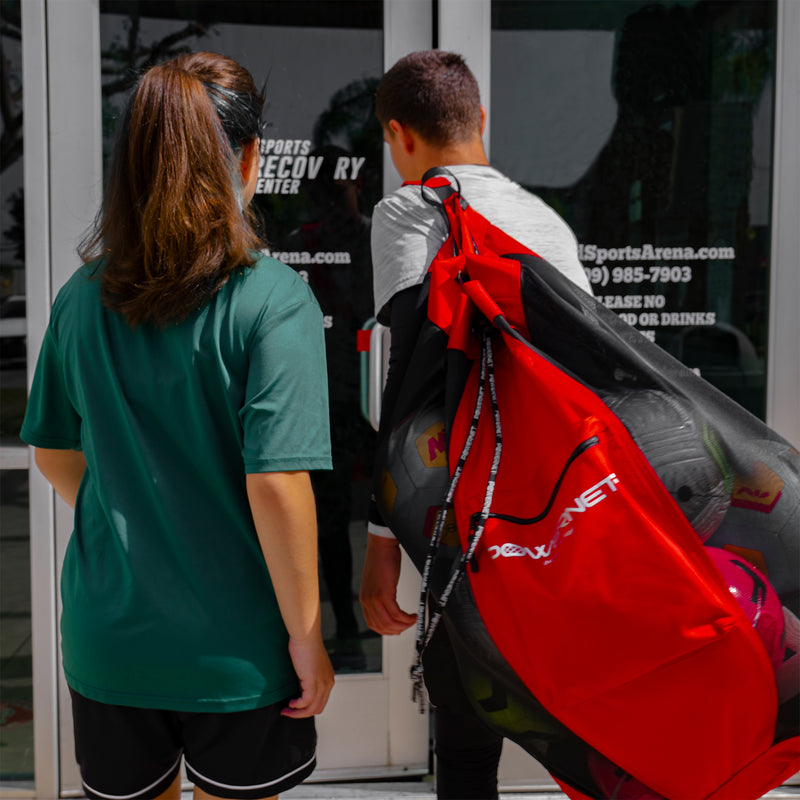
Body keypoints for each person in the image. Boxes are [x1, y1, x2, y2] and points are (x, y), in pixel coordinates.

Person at [21, 52, 334, 800]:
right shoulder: (274, 300)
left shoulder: (82, 296)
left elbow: (54, 449)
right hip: (240, 647)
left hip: (112, 639)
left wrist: (134, 515)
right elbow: (278, 484)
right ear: (249, 158)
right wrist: (309, 636)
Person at [359, 50, 593, 800]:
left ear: (397, 134)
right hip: (556, 512)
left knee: (466, 750)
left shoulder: (408, 210)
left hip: (466, 520)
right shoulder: (545, 221)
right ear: (480, 120)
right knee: (584, 739)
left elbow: (410, 385)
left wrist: (382, 539)